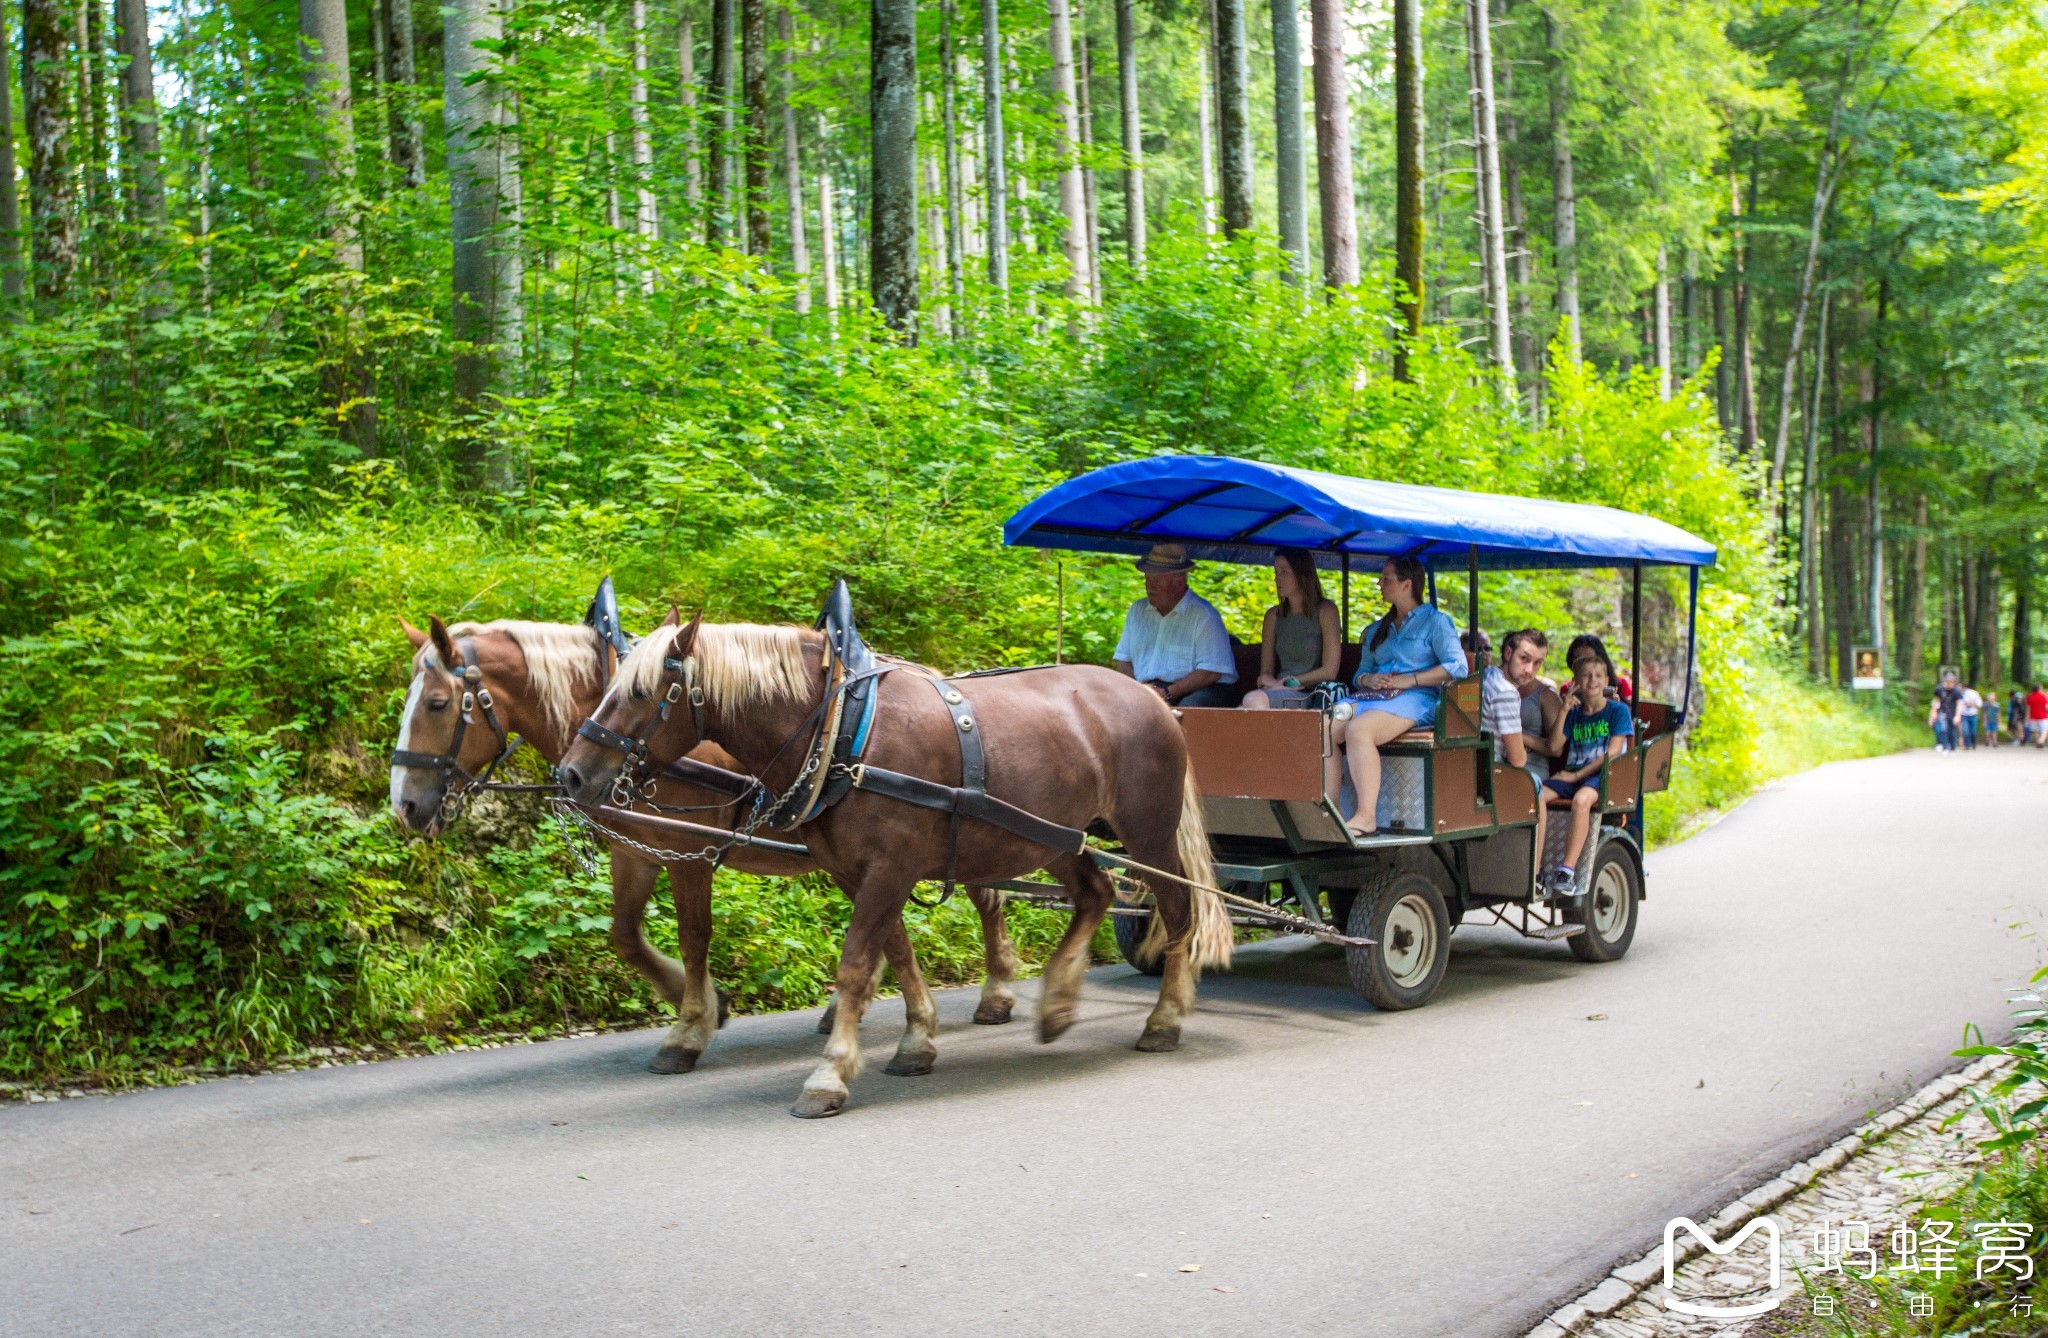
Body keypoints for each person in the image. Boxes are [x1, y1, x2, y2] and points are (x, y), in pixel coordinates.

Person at [1327, 556, 1467, 837]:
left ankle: (1366, 817)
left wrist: (1411, 679)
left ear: (1407, 585)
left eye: (1386, 578)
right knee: (1325, 726)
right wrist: (1368, 679)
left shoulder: (1436, 623)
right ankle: (1332, 812)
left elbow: (1458, 667)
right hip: (1374, 698)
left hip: (1417, 699)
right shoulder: (1378, 629)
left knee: (1359, 729)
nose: (1379, 583)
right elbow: (1360, 673)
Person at [1544, 655, 1634, 897]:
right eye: (1586, 675)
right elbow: (1554, 747)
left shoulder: (1617, 711)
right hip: (1573, 772)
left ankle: (1567, 871)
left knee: (1581, 801)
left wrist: (1576, 777)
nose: (1592, 680)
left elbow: (1613, 753)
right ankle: (1537, 866)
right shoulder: (1573, 714)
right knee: (1536, 797)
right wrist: (1563, 709)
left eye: (1597, 675)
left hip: (1600, 775)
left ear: (1605, 680)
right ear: (1576, 682)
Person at [1113, 543, 1238, 707]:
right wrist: (1138, 691)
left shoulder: (1204, 615)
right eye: (1148, 579)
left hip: (1200, 689)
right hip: (1148, 689)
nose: (1150, 587)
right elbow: (1123, 661)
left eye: (1157, 581)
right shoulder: (1138, 610)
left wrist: (1167, 694)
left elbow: (1210, 672)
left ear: (1179, 583)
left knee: (1191, 709)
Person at [1485, 628, 1559, 883]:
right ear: (1508, 653)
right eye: (1524, 659)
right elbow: (1517, 759)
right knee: (1533, 785)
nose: (1530, 670)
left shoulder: (1486, 678)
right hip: (1493, 772)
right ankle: (1534, 874)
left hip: (1478, 767)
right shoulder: (1506, 693)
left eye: (1537, 663)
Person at [1240, 548, 1343, 710]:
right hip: (1278, 690)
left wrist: (1290, 682)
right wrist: (1272, 683)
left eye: (1284, 572)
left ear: (1302, 575)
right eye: (1276, 572)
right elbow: (1265, 673)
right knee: (1239, 712)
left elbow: (1330, 671)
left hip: (1312, 693)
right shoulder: (1273, 616)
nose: (1276, 579)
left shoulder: (1326, 610)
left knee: (1252, 701)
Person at [1566, 634, 1632, 703]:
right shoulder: (1567, 688)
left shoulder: (1620, 685)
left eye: (1589, 659)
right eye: (1578, 659)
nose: (1583, 664)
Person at [1929, 672, 1962, 752]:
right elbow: (1936, 701)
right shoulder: (1939, 689)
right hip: (1942, 711)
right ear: (1945, 681)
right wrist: (1933, 712)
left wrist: (1958, 715)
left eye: (1951, 682)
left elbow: (1959, 704)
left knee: (1951, 731)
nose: (1950, 684)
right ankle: (1945, 746)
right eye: (1948, 681)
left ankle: (1952, 747)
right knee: (1942, 729)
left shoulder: (1956, 691)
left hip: (1952, 713)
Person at [1960, 683, 1983, 750]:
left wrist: (1971, 704)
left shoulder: (1973, 693)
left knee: (1973, 731)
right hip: (1964, 714)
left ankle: (1973, 743)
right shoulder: (1959, 694)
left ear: (1964, 687)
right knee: (1965, 730)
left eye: (1960, 687)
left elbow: (1980, 704)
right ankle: (1967, 745)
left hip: (1972, 714)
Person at [2029, 682, 2048, 747]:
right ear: (2039, 688)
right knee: (2044, 730)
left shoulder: (2030, 697)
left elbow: (2028, 708)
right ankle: (2041, 741)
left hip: (2033, 716)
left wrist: (2027, 717)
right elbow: (2046, 707)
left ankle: (2038, 741)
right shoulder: (2043, 696)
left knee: (2034, 730)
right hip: (2042, 716)